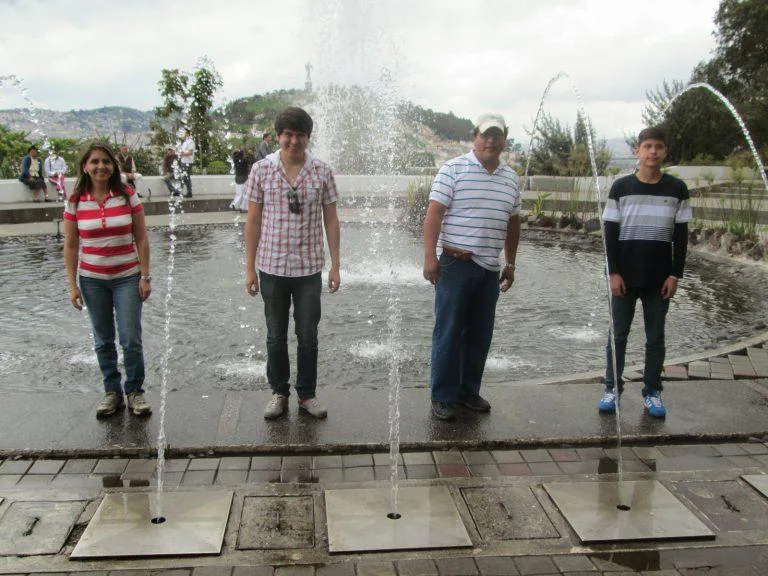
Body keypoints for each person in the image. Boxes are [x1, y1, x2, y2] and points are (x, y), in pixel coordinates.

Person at [244, 107, 341, 420]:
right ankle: (279, 393)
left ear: (307, 138)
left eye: (300, 135)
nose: (293, 140)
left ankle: (307, 395)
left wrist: (336, 265)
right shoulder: (261, 170)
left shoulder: (322, 171)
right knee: (275, 334)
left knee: (308, 335)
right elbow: (253, 221)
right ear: (278, 136)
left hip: (309, 269)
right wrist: (249, 268)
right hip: (271, 267)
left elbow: (332, 220)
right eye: (287, 134)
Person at [423, 113, 521, 421]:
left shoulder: (511, 178)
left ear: (505, 139)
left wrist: (511, 263)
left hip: (489, 269)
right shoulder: (453, 169)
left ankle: (467, 391)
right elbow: (434, 215)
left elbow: (513, 223)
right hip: (455, 264)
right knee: (449, 331)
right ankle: (442, 395)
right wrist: (430, 257)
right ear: (474, 137)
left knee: (480, 333)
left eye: (496, 135)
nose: (490, 140)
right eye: (485, 134)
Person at [598, 126, 692, 419]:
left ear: (665, 152)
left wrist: (674, 275)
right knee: (619, 336)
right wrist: (613, 273)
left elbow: (682, 237)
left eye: (659, 147)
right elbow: (609, 236)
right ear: (637, 151)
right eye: (648, 146)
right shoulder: (621, 188)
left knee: (656, 338)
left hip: (659, 279)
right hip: (624, 278)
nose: (653, 152)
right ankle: (612, 388)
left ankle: (652, 392)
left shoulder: (677, 189)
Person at [63, 143, 153, 418]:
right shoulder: (76, 200)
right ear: (85, 167)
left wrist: (145, 276)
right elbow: (70, 244)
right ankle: (111, 391)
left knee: (130, 338)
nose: (101, 166)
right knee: (103, 340)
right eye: (95, 162)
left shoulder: (126, 195)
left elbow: (141, 238)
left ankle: (135, 391)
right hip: (92, 280)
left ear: (113, 166)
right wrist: (72, 284)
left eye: (106, 162)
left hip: (127, 277)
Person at [231, 147, 256, 211]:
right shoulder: (244, 160)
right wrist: (251, 155)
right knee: (245, 193)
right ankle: (243, 207)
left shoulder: (235, 160)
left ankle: (235, 204)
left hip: (237, 178)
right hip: (244, 178)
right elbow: (251, 161)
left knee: (239, 193)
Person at [179, 130, 195, 197]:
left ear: (187, 134)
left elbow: (190, 152)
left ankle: (189, 192)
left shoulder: (191, 142)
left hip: (188, 162)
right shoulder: (184, 142)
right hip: (183, 162)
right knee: (184, 177)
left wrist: (182, 154)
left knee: (186, 177)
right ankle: (187, 191)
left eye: (184, 133)